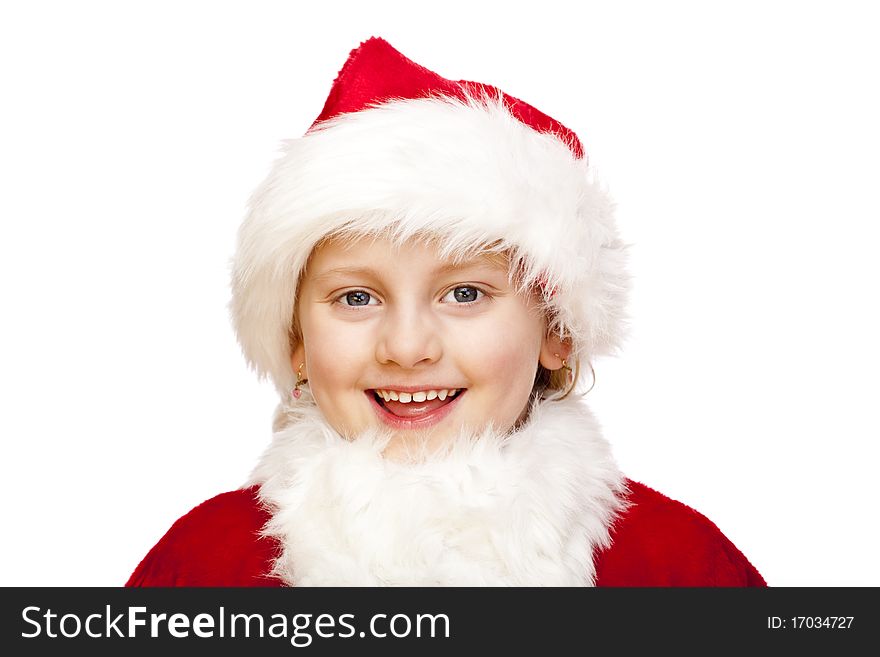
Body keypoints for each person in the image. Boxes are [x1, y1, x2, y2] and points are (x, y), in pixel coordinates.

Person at [127, 37, 765, 587]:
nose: (406, 349)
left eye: (465, 294)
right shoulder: (203, 567)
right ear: (297, 340)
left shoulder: (678, 568)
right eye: (357, 298)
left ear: (558, 333)